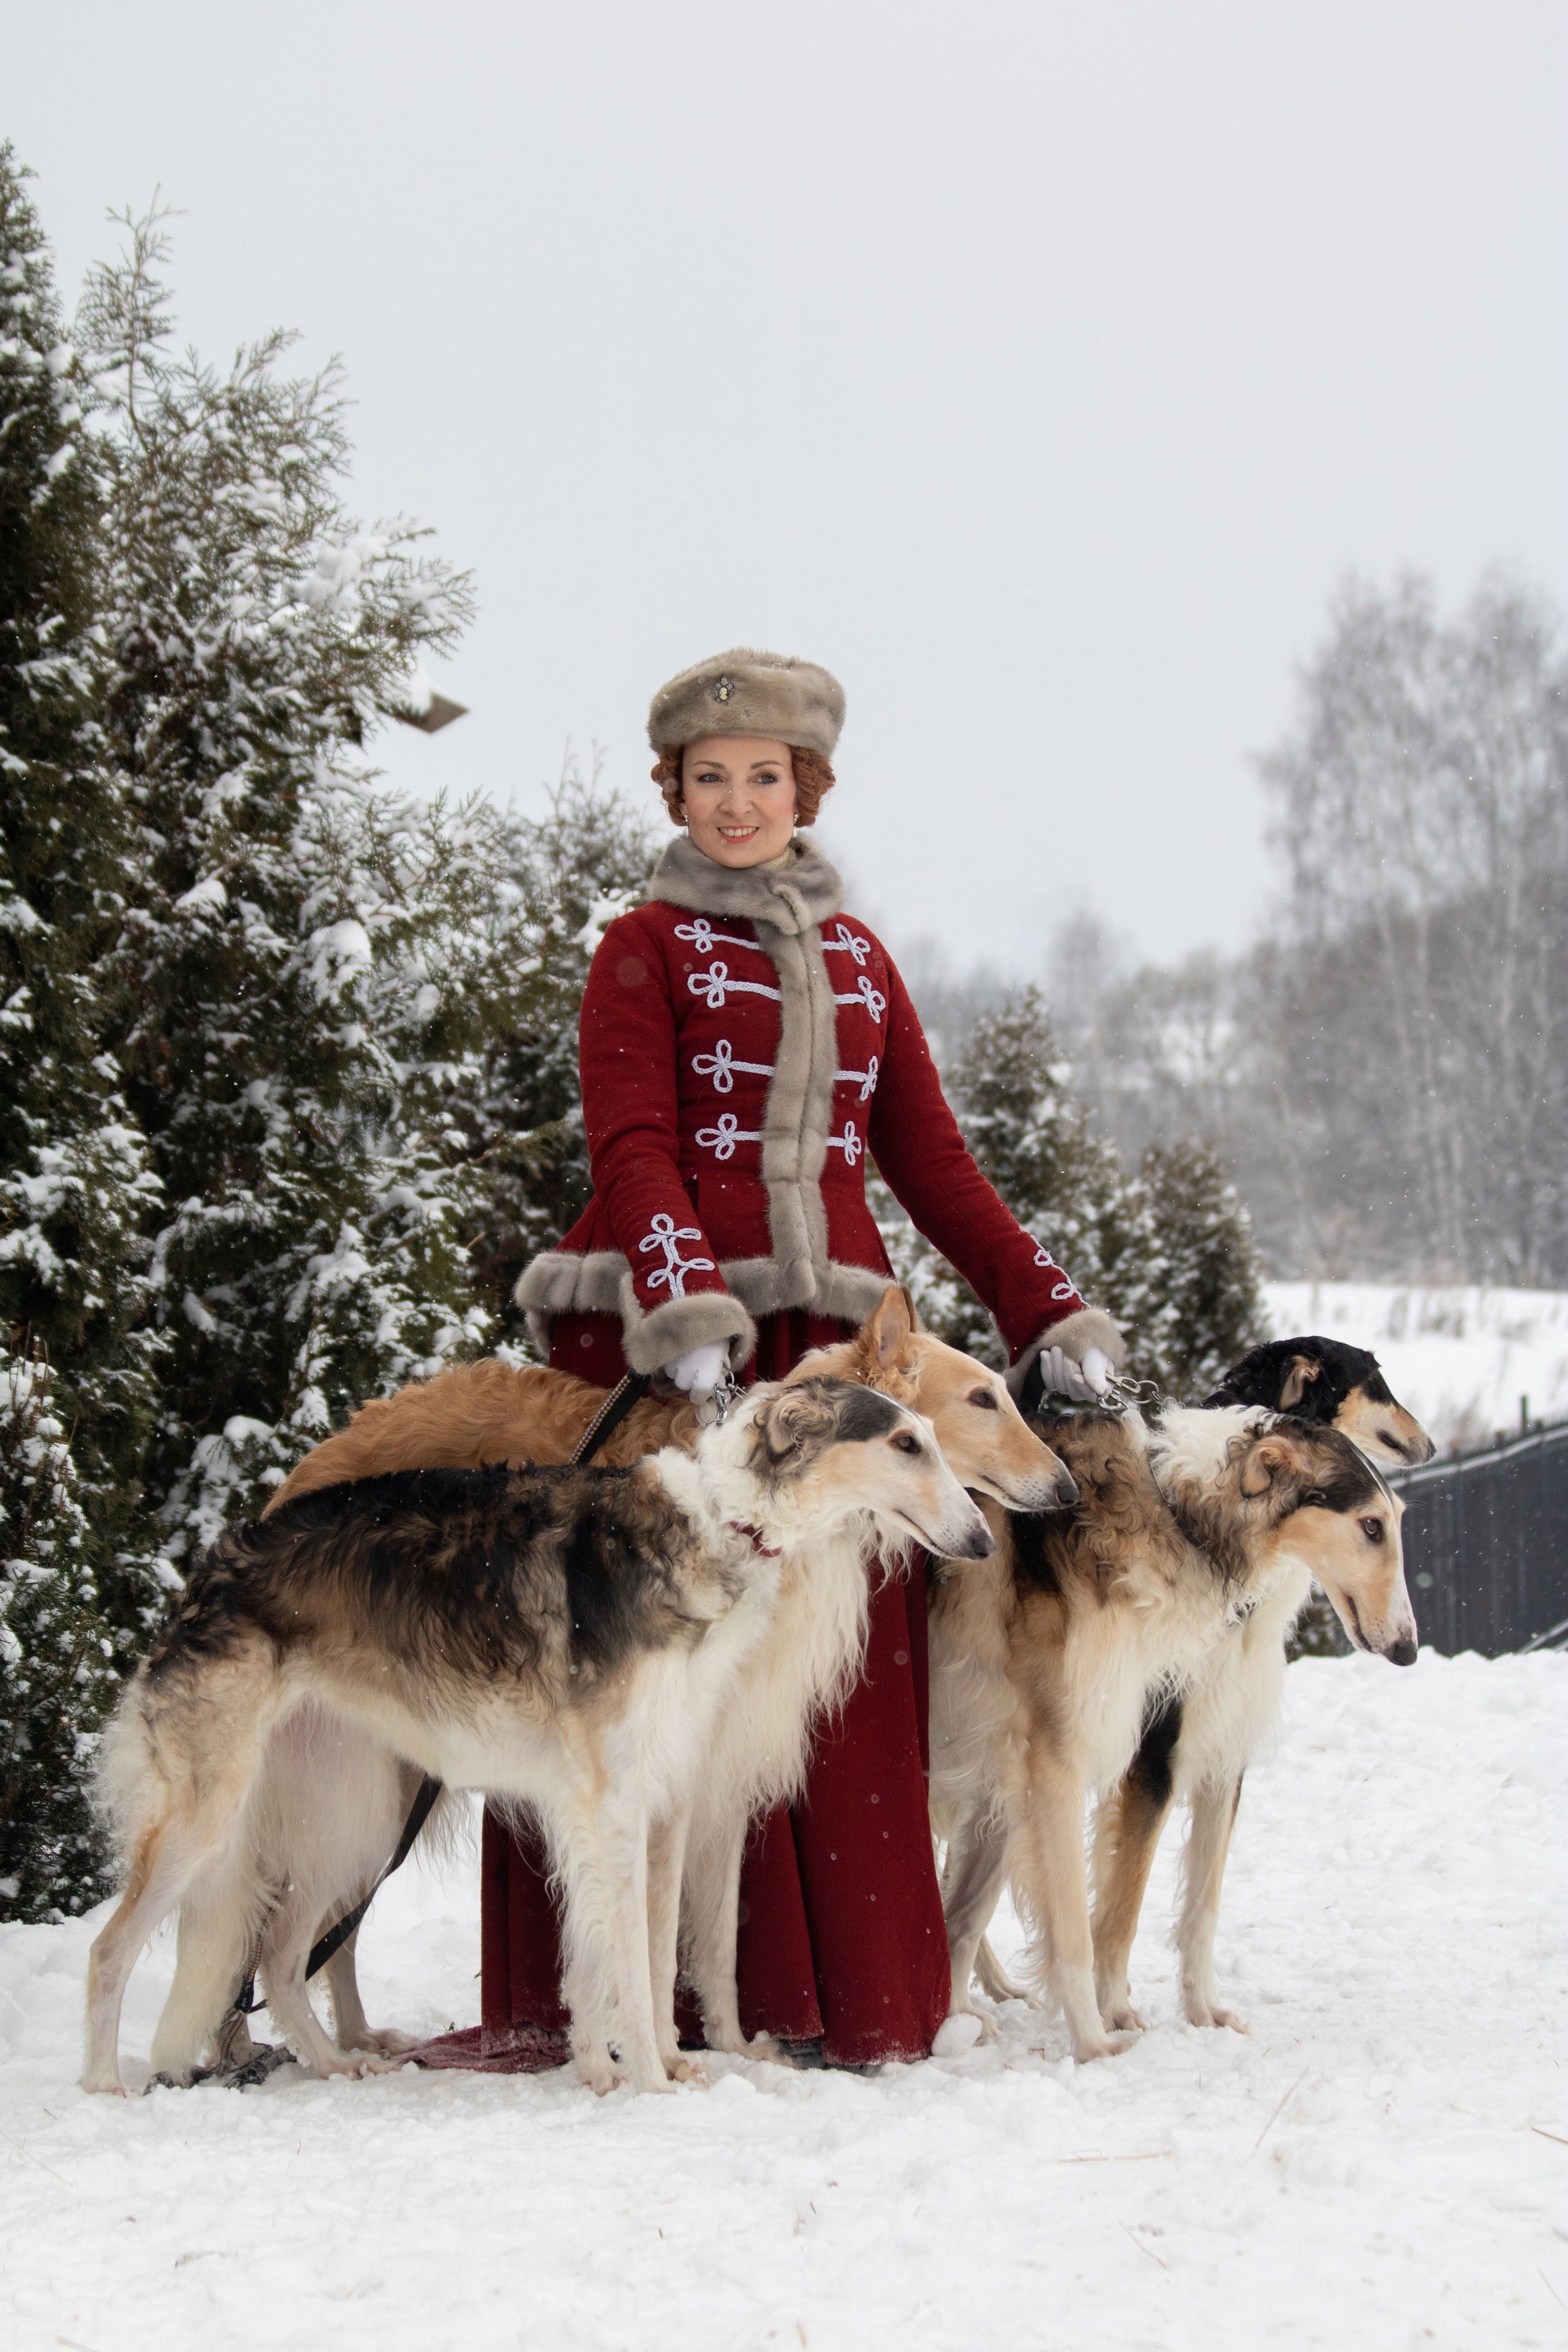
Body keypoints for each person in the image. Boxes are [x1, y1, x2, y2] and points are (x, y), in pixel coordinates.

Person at [483, 647, 1126, 2068]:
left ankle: (836, 1997)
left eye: (763, 777)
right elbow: (630, 1146)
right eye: (708, 777)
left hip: (836, 1358)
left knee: (829, 1669)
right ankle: (634, 2001)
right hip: (673, 1337)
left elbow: (934, 1164)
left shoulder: (860, 960)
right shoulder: (639, 947)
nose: (736, 801)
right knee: (648, 1657)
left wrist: (1046, 1310)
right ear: (674, 790)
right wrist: (685, 1305)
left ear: (807, 789)